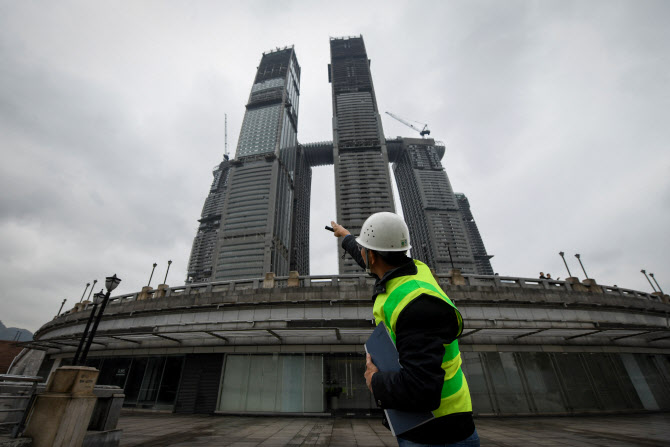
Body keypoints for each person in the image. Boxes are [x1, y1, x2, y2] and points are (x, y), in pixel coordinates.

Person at [331, 212, 479, 447]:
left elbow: (422, 390)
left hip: (435, 433)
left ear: (373, 256)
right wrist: (345, 235)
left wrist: (375, 380)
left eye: (363, 248)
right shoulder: (414, 269)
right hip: (440, 423)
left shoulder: (417, 306)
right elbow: (369, 259)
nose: (361, 253)